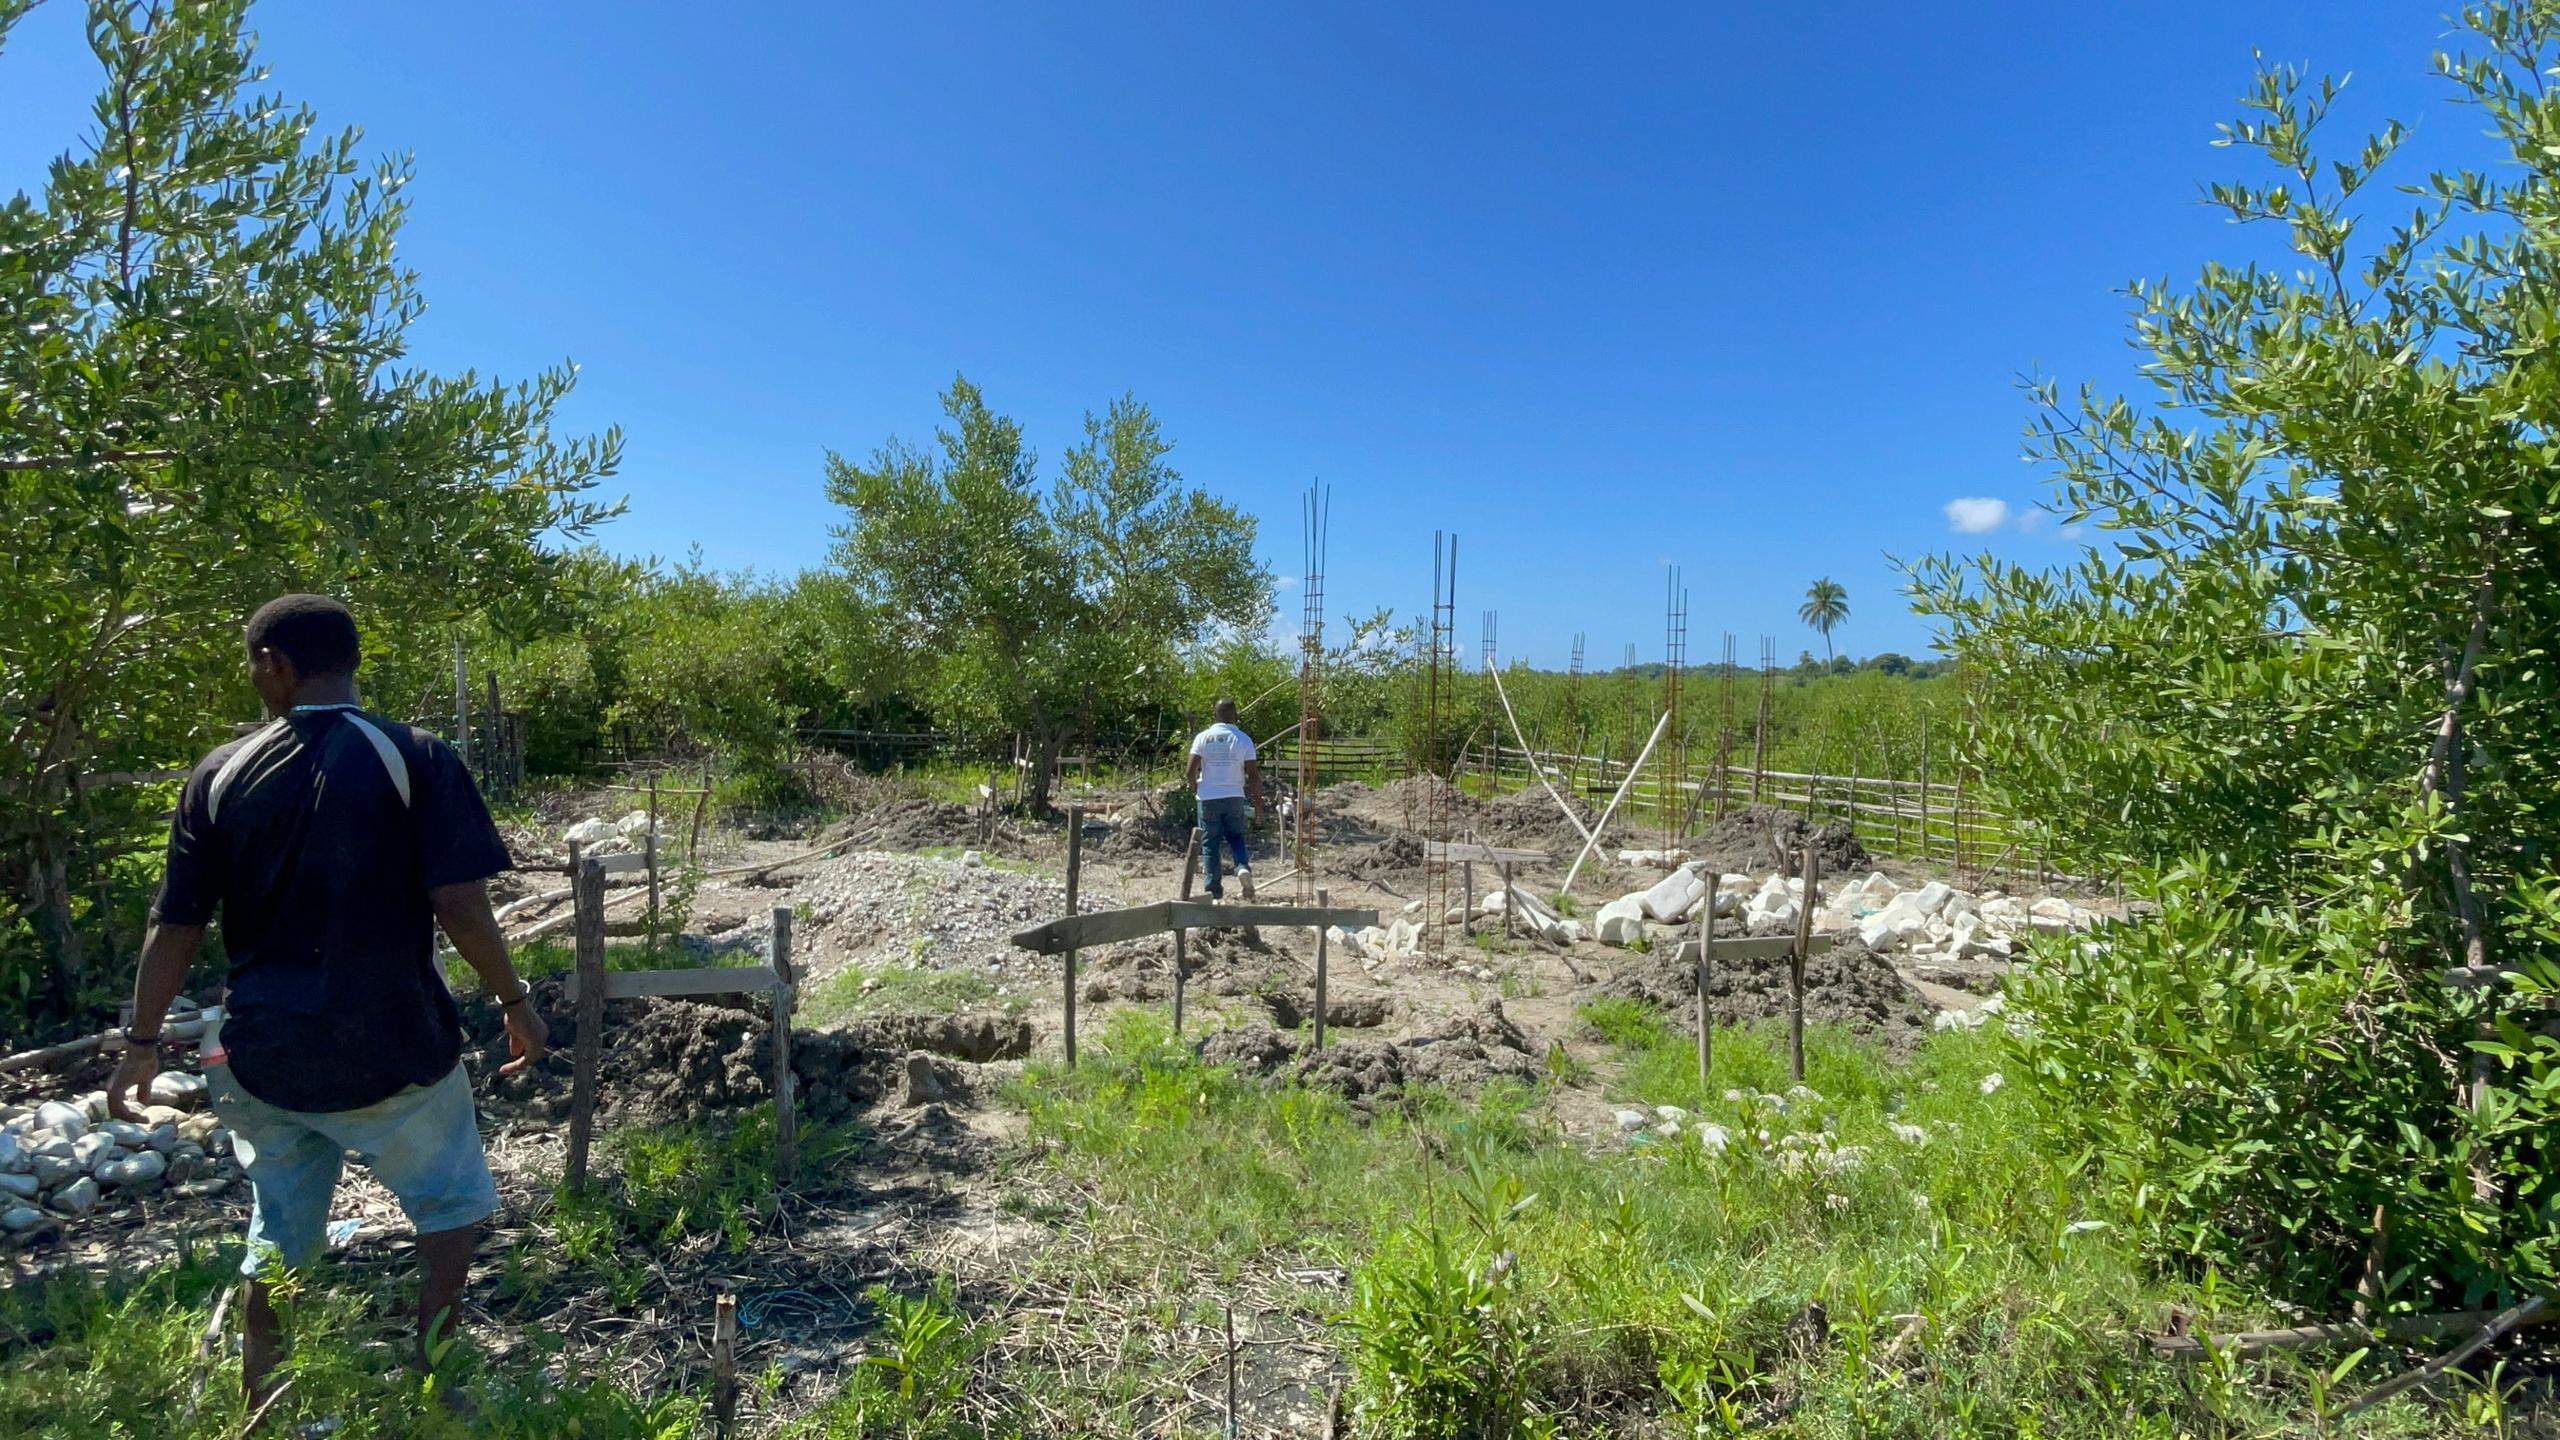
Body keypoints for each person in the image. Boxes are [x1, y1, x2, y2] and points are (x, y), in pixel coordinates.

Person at [106, 594, 548, 1406]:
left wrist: (140, 1041)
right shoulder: (416, 755)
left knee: (279, 1232)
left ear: (275, 663)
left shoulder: (220, 774)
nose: (254, 678)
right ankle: (436, 1374)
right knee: (452, 1205)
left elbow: (175, 925)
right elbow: (457, 901)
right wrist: (513, 999)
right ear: (350, 663)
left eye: (253, 664)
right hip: (393, 1046)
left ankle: (263, 1397)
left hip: (261, 1054)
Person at [1185, 698, 1263, 900]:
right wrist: (1259, 806)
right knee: (1236, 837)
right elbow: (1253, 776)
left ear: (1214, 715)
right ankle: (1242, 867)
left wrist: (1196, 789)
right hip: (1234, 796)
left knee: (1210, 844)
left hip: (1208, 797)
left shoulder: (1203, 738)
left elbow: (1190, 771)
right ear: (1235, 715)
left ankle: (1213, 890)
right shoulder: (1243, 739)